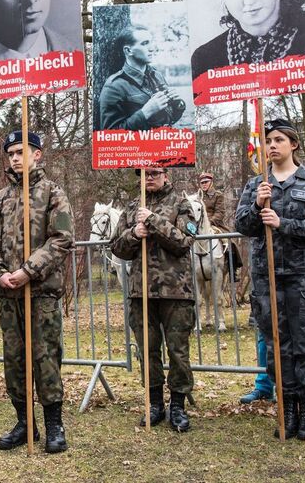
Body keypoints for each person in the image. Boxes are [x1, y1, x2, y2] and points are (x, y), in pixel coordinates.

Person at [235, 118, 305, 441]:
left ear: (293, 144)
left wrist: (283, 223)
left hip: (304, 277)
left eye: (278, 140)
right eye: (268, 141)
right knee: (277, 345)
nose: (272, 145)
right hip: (268, 276)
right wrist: (257, 205)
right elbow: (243, 226)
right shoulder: (256, 185)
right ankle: (287, 410)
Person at [0, 131, 73, 454]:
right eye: (11, 154)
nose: (16, 158)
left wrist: (28, 271)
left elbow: (61, 238)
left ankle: (54, 424)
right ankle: (24, 422)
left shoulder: (52, 193)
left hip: (41, 292)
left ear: (37, 154)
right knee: (14, 360)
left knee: (46, 359)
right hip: (8, 295)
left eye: (21, 152)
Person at [110, 167, 198, 432]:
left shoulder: (181, 203)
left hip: (176, 291)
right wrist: (134, 234)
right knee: (147, 351)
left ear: (165, 175)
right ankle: (155, 403)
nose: (149, 177)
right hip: (142, 292)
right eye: (144, 174)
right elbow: (116, 247)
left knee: (178, 351)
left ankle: (178, 405)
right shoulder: (132, 207)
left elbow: (184, 241)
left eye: (155, 173)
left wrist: (153, 221)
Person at [97, 25, 186, 131]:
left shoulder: (157, 75)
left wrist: (178, 105)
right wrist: (145, 112)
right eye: (145, 43)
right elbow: (110, 135)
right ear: (128, 51)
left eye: (151, 42)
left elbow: (168, 120)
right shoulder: (114, 86)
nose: (152, 48)